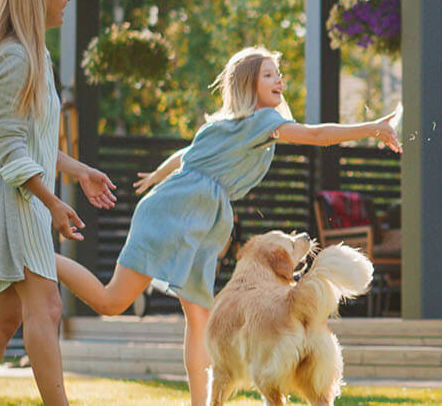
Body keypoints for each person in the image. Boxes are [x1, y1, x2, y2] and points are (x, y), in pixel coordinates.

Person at [54, 47, 402, 406]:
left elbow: (186, 155)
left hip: (195, 219)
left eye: (278, 73)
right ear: (249, 84)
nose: (279, 80)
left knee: (199, 320)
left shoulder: (229, 125)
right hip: (175, 213)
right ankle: (47, 261)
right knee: (112, 302)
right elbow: (316, 135)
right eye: (268, 74)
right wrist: (371, 128)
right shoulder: (261, 120)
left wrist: (159, 173)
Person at [0, 0, 120, 406]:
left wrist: (79, 170)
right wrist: (52, 202)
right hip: (14, 207)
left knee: (2, 320)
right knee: (45, 308)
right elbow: (11, 151)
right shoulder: (14, 59)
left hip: (22, 202)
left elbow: (35, 145)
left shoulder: (35, 57)